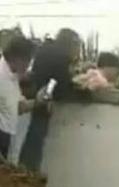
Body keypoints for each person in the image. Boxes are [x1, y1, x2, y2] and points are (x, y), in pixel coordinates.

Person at [19, 28, 82, 173]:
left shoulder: (44, 49)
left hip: (28, 96)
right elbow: (62, 89)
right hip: (42, 101)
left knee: (25, 139)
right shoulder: (62, 57)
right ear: (71, 44)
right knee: (36, 140)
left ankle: (24, 169)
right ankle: (29, 172)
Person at [0, 36, 36, 160]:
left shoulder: (12, 74)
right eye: (28, 61)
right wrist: (39, 102)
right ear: (17, 58)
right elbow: (20, 108)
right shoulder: (2, 78)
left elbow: (19, 104)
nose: (28, 65)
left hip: (7, 132)